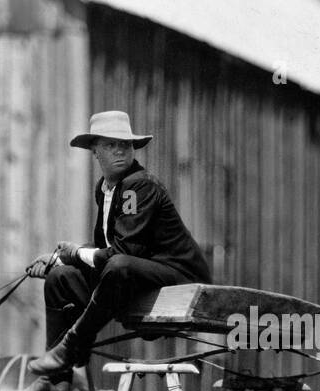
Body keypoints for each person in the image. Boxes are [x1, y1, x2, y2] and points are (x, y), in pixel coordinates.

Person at [27, 111, 212, 377]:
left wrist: (76, 252)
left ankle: (70, 346)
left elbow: (124, 252)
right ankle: (53, 380)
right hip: (138, 274)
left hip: (178, 275)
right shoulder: (105, 187)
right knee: (60, 278)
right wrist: (60, 259)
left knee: (118, 265)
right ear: (95, 150)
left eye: (124, 145)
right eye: (110, 145)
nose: (119, 151)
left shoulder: (138, 186)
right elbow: (109, 243)